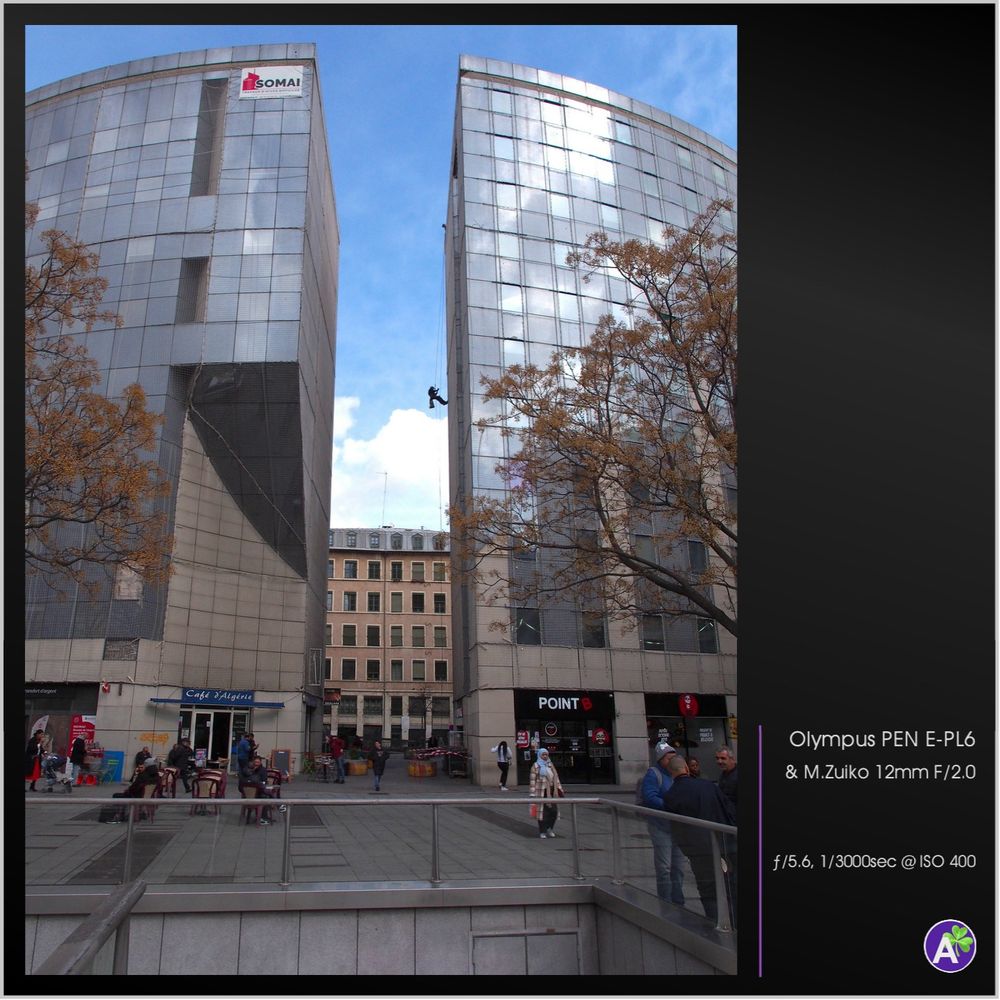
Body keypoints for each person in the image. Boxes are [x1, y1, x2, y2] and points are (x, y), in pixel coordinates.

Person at [662, 756, 736, 925]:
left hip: (698, 851)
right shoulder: (708, 786)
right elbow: (728, 810)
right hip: (724, 843)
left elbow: (677, 828)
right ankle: (733, 921)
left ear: (671, 774)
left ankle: (715, 922)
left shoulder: (671, 796)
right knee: (730, 885)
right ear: (687, 769)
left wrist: (687, 849)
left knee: (707, 888)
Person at [641, 741, 686, 905]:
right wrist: (669, 806)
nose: (672, 761)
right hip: (661, 826)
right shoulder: (654, 774)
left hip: (678, 827)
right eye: (669, 758)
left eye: (674, 757)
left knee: (679, 867)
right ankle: (666, 901)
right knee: (665, 867)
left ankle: (678, 900)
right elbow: (650, 796)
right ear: (660, 759)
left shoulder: (679, 774)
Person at [528, 748, 564, 838]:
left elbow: (556, 777)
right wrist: (532, 794)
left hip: (552, 792)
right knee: (542, 813)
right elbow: (533, 780)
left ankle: (550, 828)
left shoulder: (550, 765)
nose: (545, 756)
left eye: (546, 755)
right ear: (539, 755)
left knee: (554, 812)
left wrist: (559, 789)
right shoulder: (536, 766)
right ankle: (542, 831)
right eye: (543, 755)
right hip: (541, 792)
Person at [239, 755, 285, 823]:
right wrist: (253, 771)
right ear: (252, 762)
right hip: (251, 792)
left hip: (256, 791)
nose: (256, 764)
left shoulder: (262, 770)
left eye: (258, 762)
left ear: (260, 762)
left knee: (265, 793)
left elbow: (264, 780)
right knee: (266, 795)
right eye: (255, 762)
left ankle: (264, 816)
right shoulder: (248, 770)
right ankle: (265, 817)